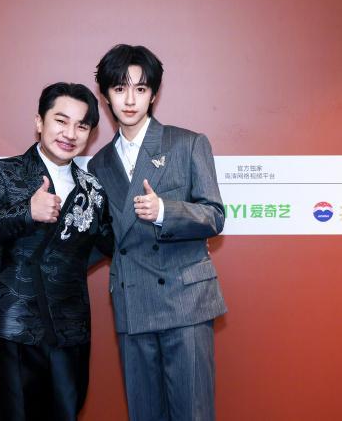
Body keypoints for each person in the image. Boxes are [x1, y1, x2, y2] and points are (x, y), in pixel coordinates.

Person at [87, 44, 227, 421]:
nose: (130, 100)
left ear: (154, 94)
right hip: (132, 303)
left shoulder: (187, 143)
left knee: (192, 413)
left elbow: (214, 215)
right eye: (120, 89)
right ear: (106, 96)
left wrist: (165, 211)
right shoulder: (99, 164)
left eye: (141, 88)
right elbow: (104, 238)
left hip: (185, 300)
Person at [0, 82, 113, 421]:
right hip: (15, 326)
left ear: (90, 134)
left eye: (82, 126)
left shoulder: (94, 189)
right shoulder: (4, 172)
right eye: (61, 121)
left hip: (71, 331)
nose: (70, 133)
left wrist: (174, 233)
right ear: (40, 122)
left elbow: (110, 243)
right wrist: (26, 212)